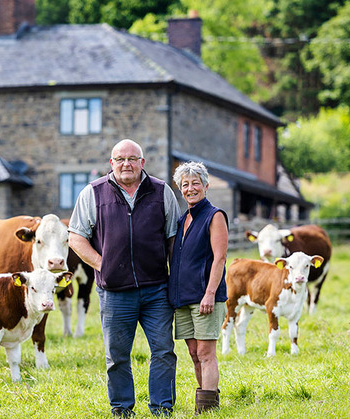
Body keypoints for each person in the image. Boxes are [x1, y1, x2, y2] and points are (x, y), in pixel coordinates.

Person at [68, 139, 181, 417]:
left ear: (142, 162)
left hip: (156, 289)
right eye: (120, 159)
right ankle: (121, 407)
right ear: (111, 163)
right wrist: (102, 264)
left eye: (132, 159)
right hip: (115, 291)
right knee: (117, 355)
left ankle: (161, 407)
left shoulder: (161, 191)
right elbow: (75, 237)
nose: (126, 164)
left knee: (164, 350)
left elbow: (172, 239)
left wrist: (175, 279)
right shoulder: (92, 193)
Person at [168, 161, 229, 414]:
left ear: (206, 185)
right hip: (183, 298)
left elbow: (220, 258)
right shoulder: (184, 218)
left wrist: (210, 294)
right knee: (193, 353)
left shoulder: (214, 216)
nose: (190, 188)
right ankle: (208, 398)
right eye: (185, 184)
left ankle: (207, 410)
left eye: (195, 183)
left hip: (206, 296)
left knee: (205, 352)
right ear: (180, 189)